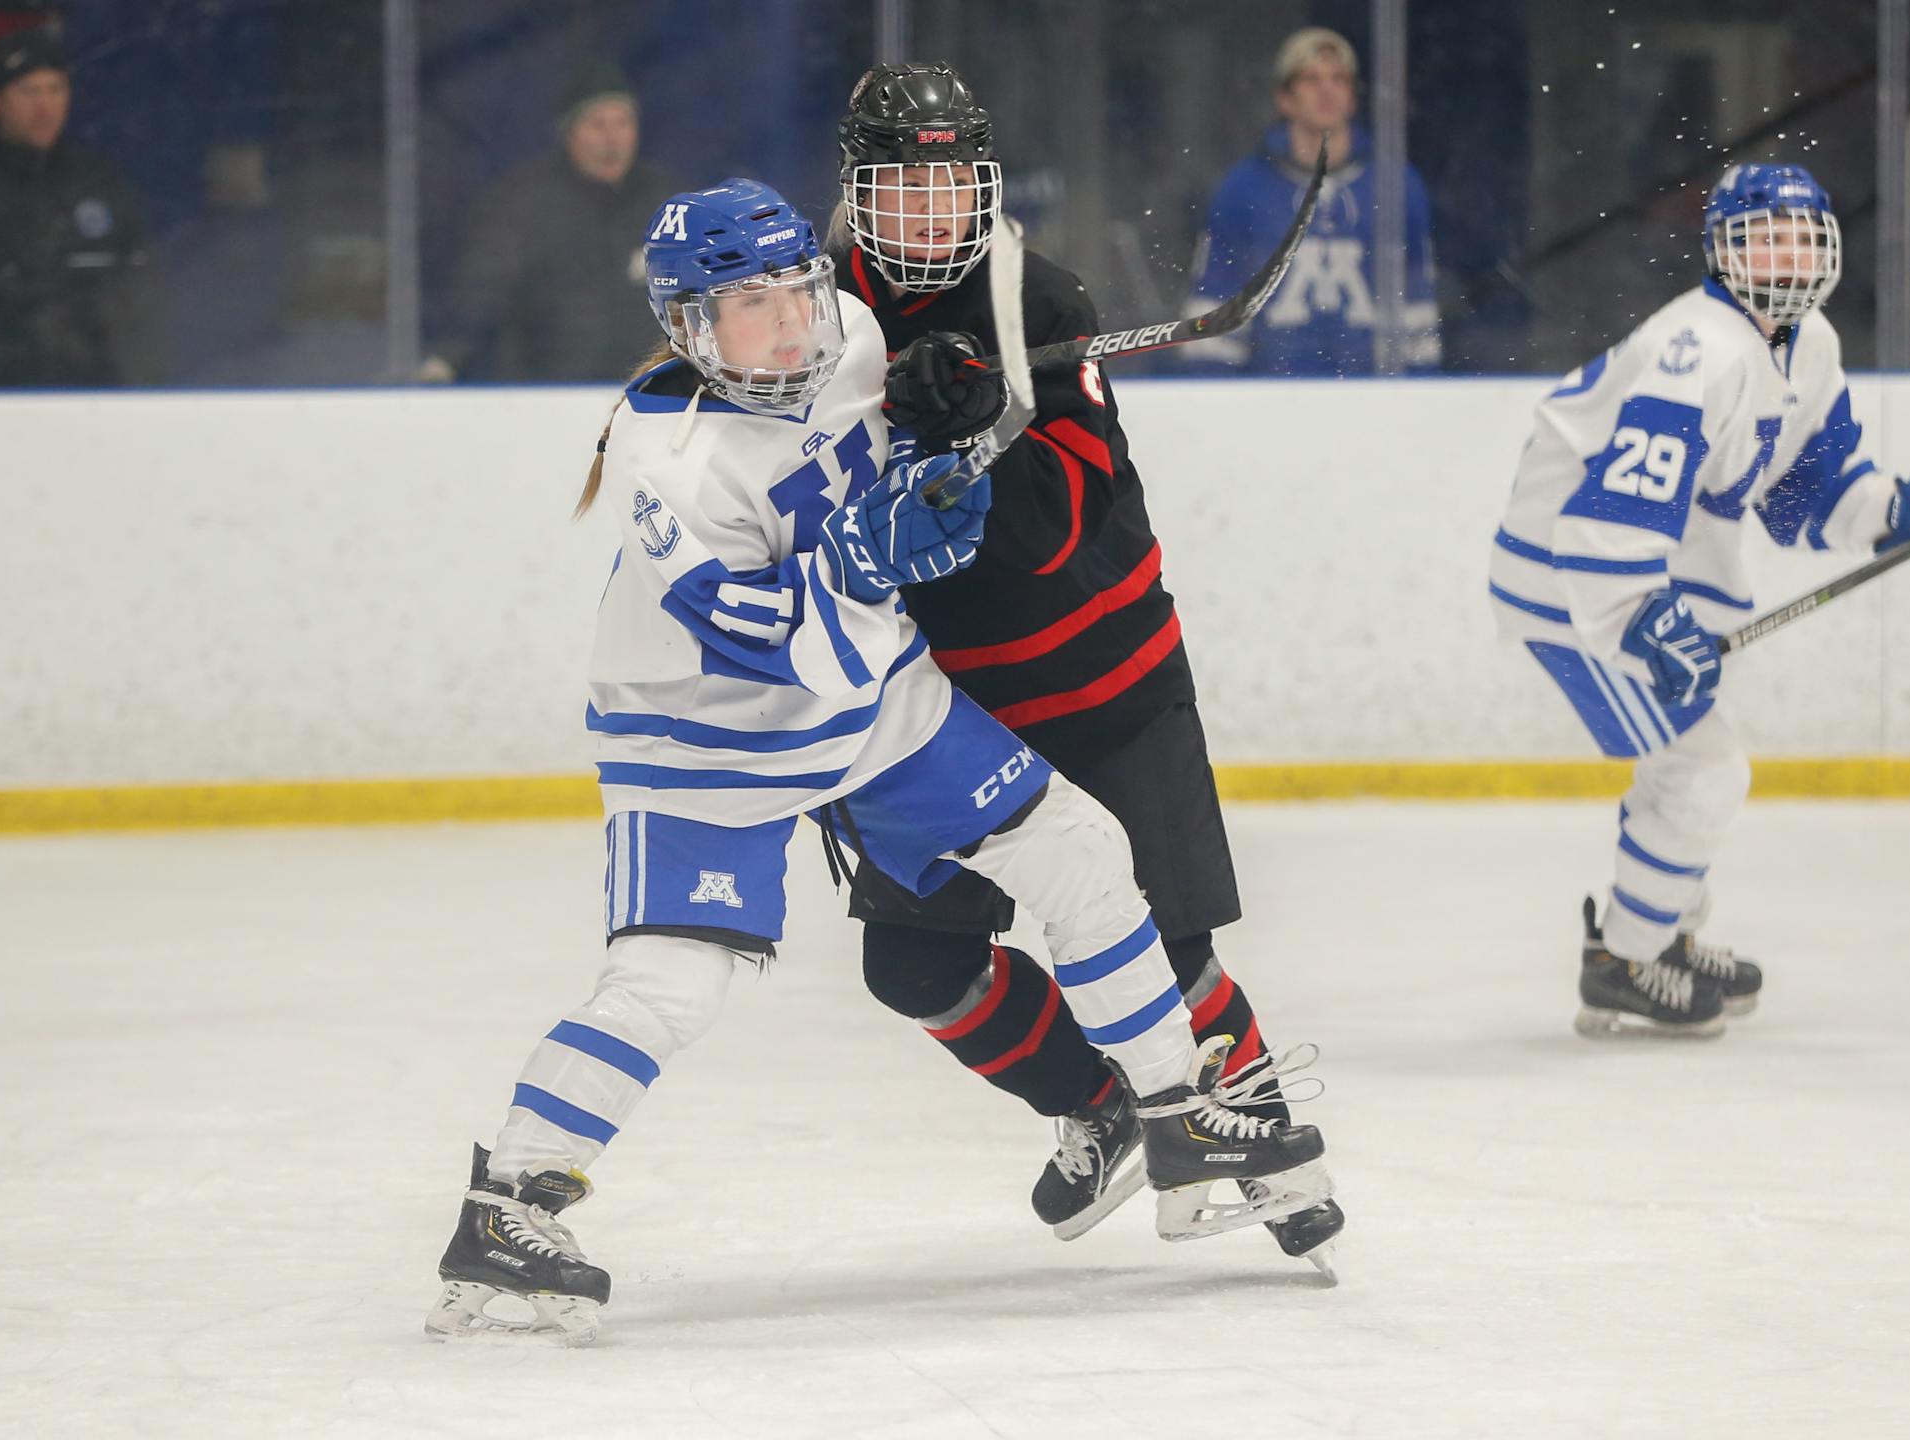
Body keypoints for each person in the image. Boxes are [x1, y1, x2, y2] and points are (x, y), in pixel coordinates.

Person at [426, 179, 1332, 1343]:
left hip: (874, 697)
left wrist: (951, 416)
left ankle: (1175, 1110)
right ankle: (508, 1205)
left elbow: (912, 455)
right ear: (691, 328)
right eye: (751, 307)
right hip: (709, 733)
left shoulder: (853, 332)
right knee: (671, 985)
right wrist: (866, 550)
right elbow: (762, 635)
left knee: (1078, 849)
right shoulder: (667, 464)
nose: (790, 325)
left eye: (797, 291)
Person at [827, 62, 1343, 1274]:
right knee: (914, 964)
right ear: (857, 192)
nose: (931, 213)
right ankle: (1105, 1110)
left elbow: (1056, 532)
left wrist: (975, 425)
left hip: (1104, 683)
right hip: (938, 710)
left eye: (952, 184)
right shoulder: (816, 310)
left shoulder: (1034, 299)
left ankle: (1269, 1150)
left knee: (1171, 947)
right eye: (904, 188)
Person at [1487, 163, 1910, 1037]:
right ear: (1722, 252)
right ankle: (1624, 961)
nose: (1788, 255)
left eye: (1803, 237)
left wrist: (1909, 515)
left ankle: (1658, 935)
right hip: (1573, 581)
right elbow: (1612, 511)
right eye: (1765, 237)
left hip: (1636, 576)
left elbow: (1809, 494)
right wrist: (1637, 620)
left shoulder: (1810, 346)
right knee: (1703, 769)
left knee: (1688, 767)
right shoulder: (1694, 350)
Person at [1184, 26, 1438, 376]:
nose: (1326, 90)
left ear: (1353, 97)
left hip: (1372, 394)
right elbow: (1216, 307)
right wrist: (1211, 394)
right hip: (1272, 394)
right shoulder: (1242, 190)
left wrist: (1420, 389)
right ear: (1284, 98)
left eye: (1339, 79)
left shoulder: (1397, 186)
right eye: (1310, 79)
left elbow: (1417, 309)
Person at [0, 26, 163, 387]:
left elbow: (138, 291)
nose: (45, 106)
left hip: (92, 394)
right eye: (29, 91)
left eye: (56, 89)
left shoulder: (99, 181)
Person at [419, 61, 677, 383]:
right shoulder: (524, 205)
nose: (612, 139)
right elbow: (480, 293)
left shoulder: (668, 203)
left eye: (623, 123)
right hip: (546, 394)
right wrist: (445, 358)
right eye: (597, 125)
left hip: (649, 391)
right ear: (569, 132)